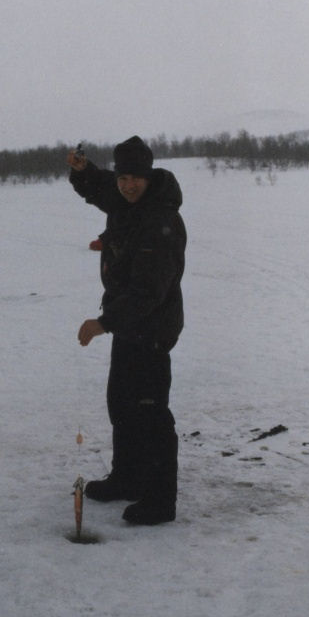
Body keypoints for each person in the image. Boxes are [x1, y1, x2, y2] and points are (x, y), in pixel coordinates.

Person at [67, 136, 186, 525]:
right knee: (122, 404)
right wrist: (83, 172)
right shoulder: (126, 201)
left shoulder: (161, 220)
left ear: (149, 177)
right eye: (123, 177)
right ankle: (128, 478)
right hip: (128, 327)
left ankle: (159, 499)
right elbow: (100, 188)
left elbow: (148, 290)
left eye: (135, 178)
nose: (127, 185)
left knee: (150, 414)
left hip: (150, 328)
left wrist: (103, 323)